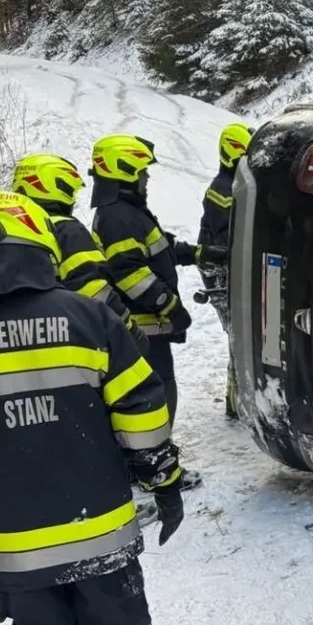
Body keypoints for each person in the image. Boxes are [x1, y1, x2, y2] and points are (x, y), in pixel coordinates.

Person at [0, 189, 183, 625]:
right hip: (102, 537)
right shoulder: (90, 319)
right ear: (40, 240)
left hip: (18, 554)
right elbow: (142, 412)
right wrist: (164, 480)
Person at [88, 134, 226, 490]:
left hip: (142, 328)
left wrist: (196, 253)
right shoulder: (119, 216)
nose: (146, 179)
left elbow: (157, 246)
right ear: (126, 171)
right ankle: (154, 469)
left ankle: (142, 465)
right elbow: (131, 273)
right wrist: (170, 306)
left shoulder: (124, 212)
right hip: (143, 329)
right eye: (142, 173)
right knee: (156, 395)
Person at [10, 153, 148, 352]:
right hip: (68, 339)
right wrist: (128, 329)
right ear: (53, 187)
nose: (73, 200)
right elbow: (93, 289)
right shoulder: (65, 229)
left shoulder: (10, 233)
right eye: (70, 191)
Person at [196, 122, 252, 419]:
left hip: (223, 269)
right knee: (238, 335)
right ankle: (235, 401)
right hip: (220, 273)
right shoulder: (222, 190)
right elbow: (227, 238)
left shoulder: (234, 184)